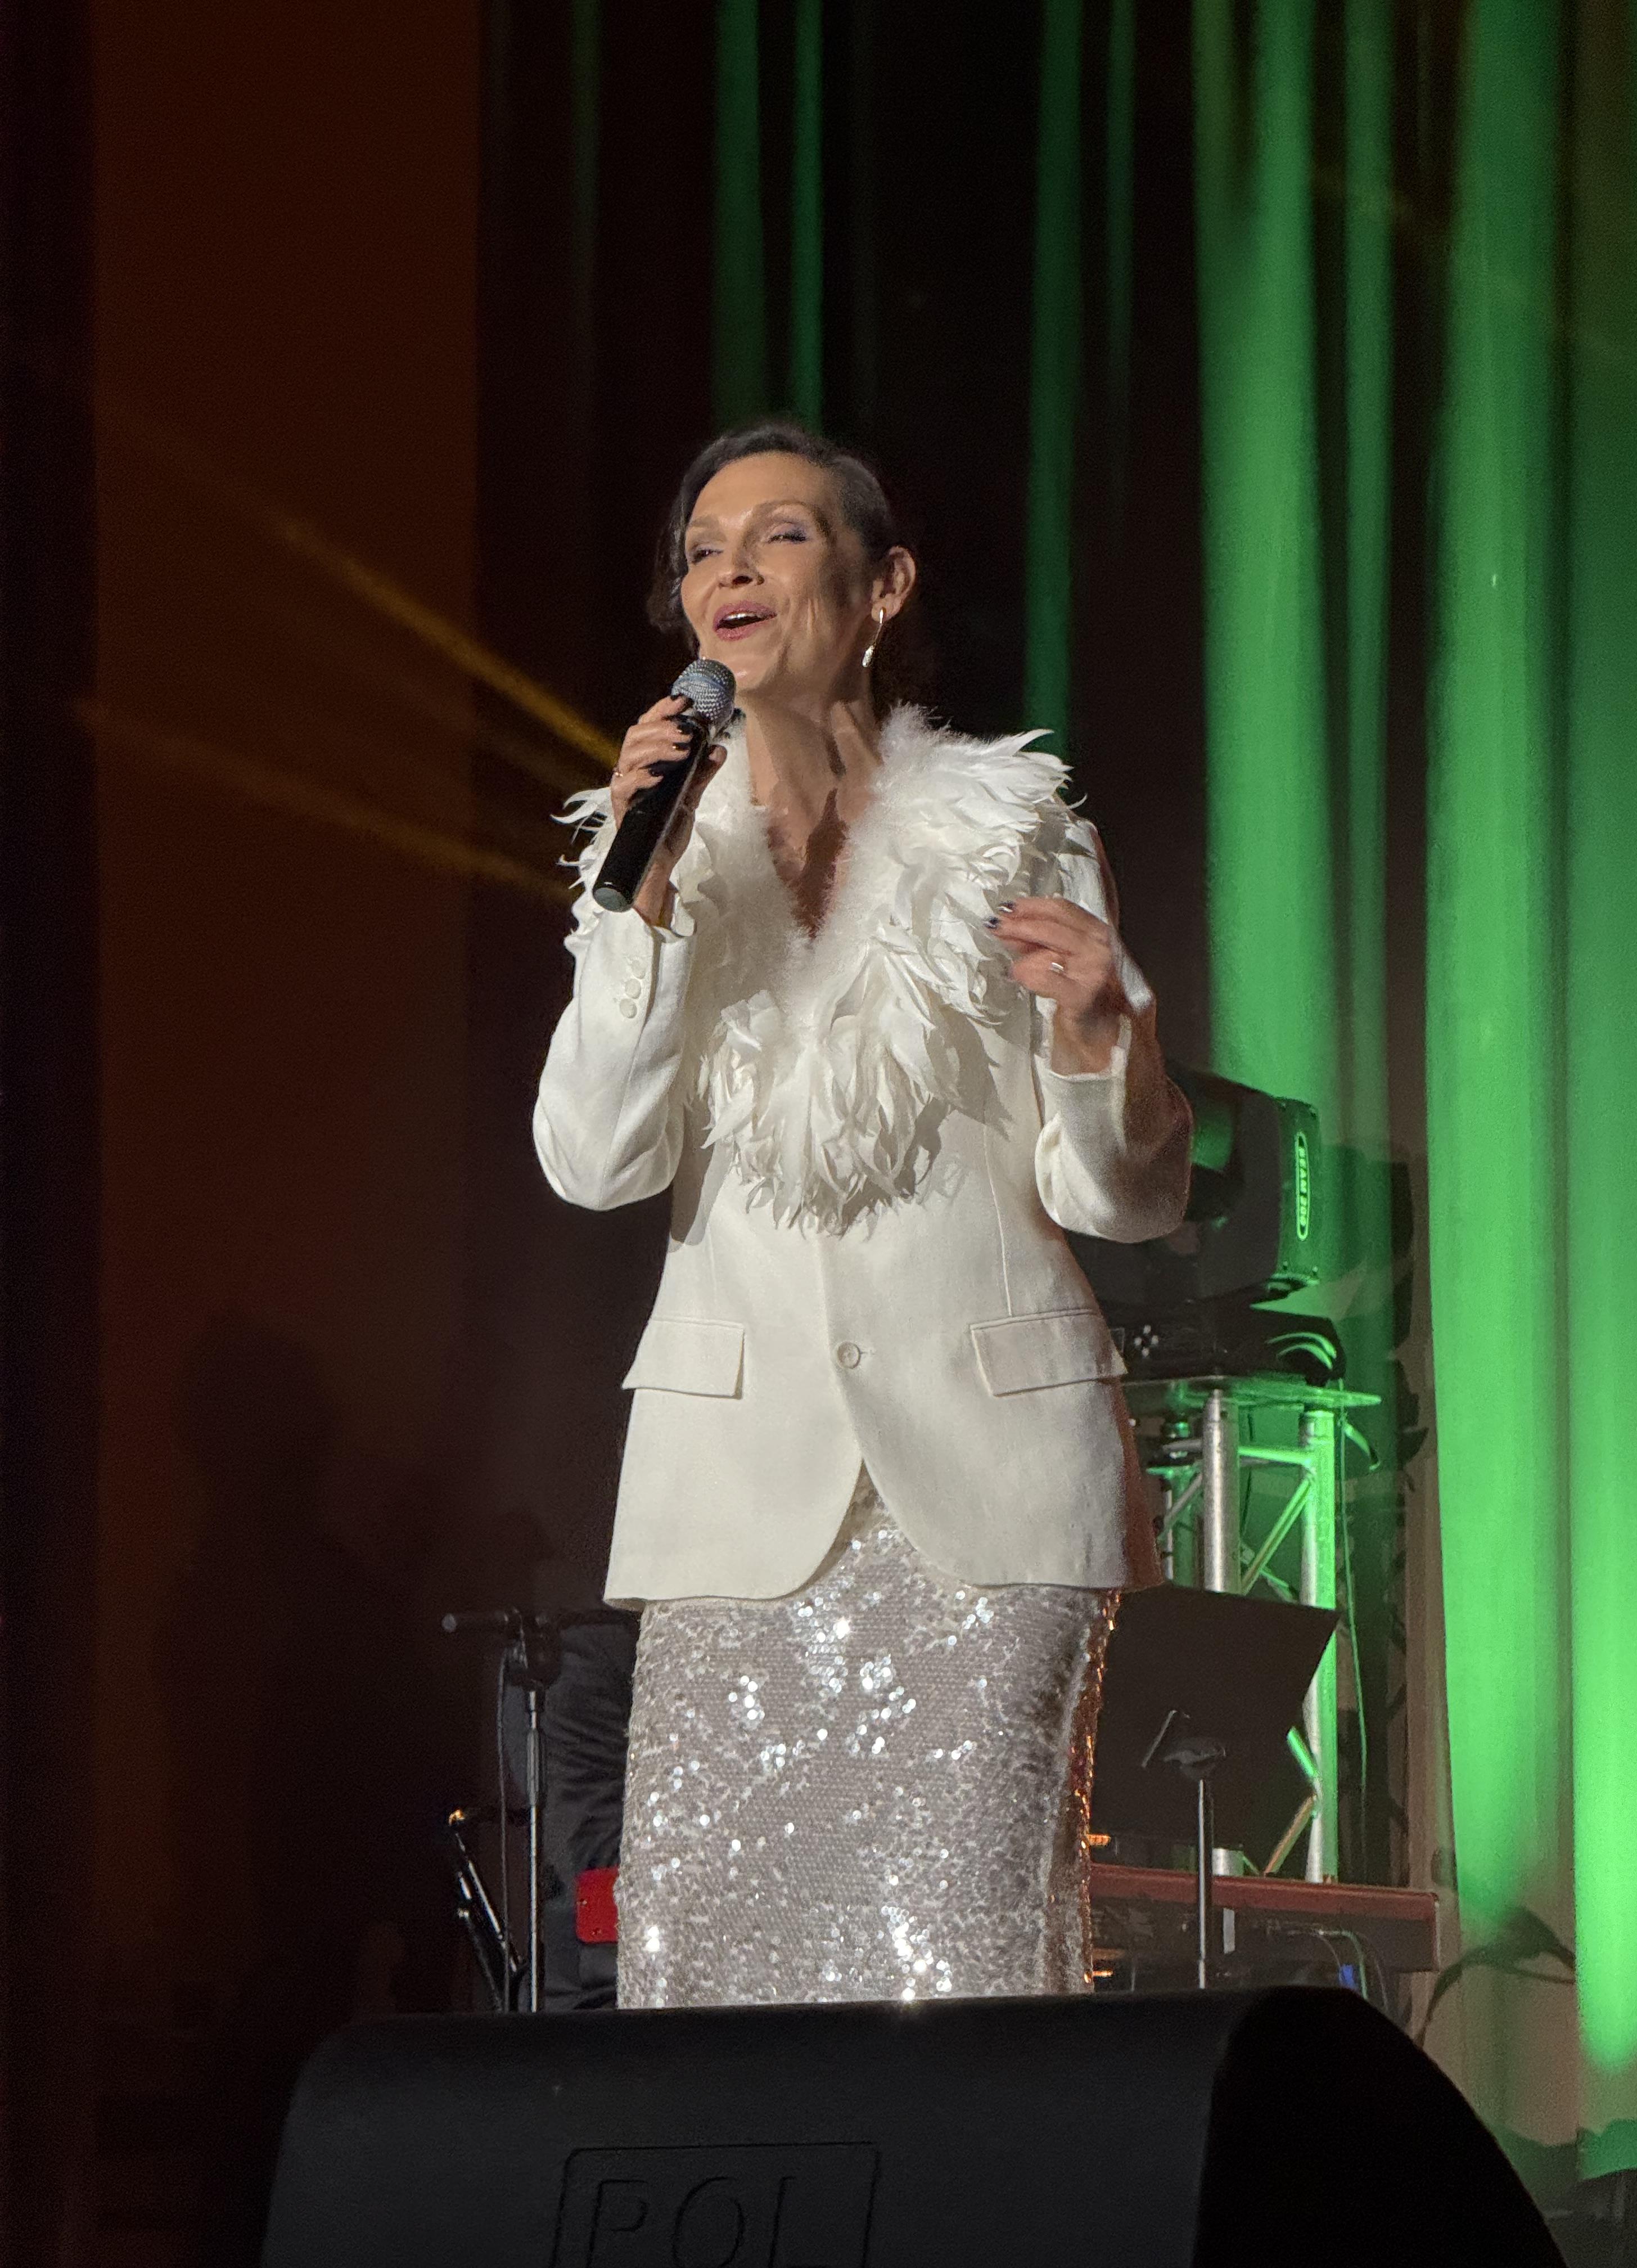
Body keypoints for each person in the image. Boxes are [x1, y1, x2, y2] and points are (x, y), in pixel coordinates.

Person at [534, 421, 1190, 2009]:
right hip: (735, 1500)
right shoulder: (653, 856)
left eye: (781, 535)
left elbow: (1120, 1198)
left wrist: (1106, 1041)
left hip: (991, 1503)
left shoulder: (1021, 833)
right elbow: (594, 1163)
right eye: (703, 549)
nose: (732, 570)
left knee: (963, 1967)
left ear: (882, 585)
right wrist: (643, 916)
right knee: (714, 1975)